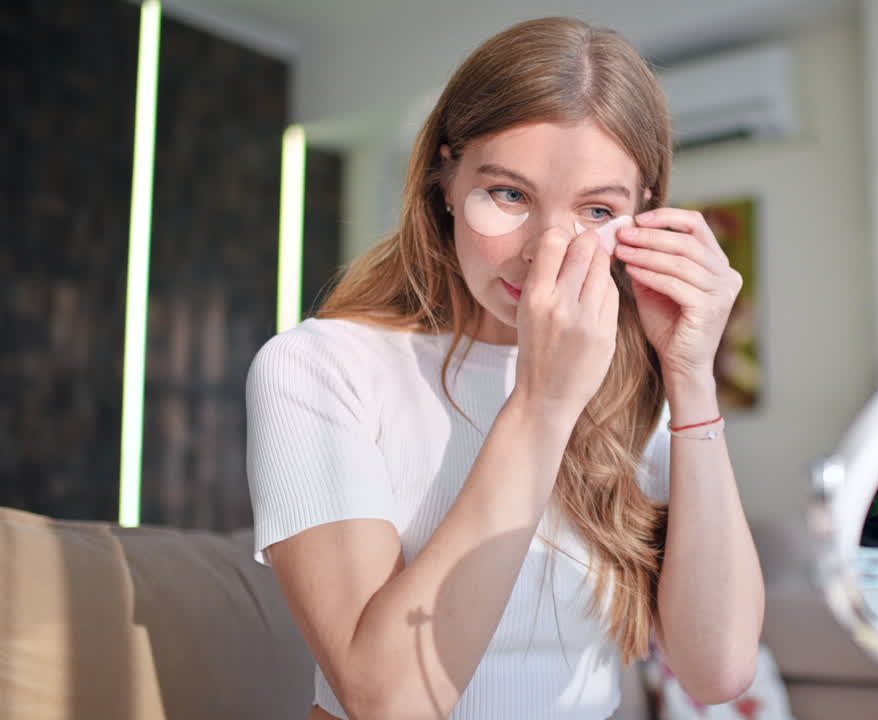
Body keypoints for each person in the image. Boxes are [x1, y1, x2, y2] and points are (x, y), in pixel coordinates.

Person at [246, 16, 764, 720]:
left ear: (643, 214)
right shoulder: (320, 368)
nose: (544, 248)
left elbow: (719, 669)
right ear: (445, 180)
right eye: (510, 195)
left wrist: (692, 376)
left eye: (596, 210)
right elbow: (386, 701)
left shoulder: (635, 390)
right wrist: (543, 405)